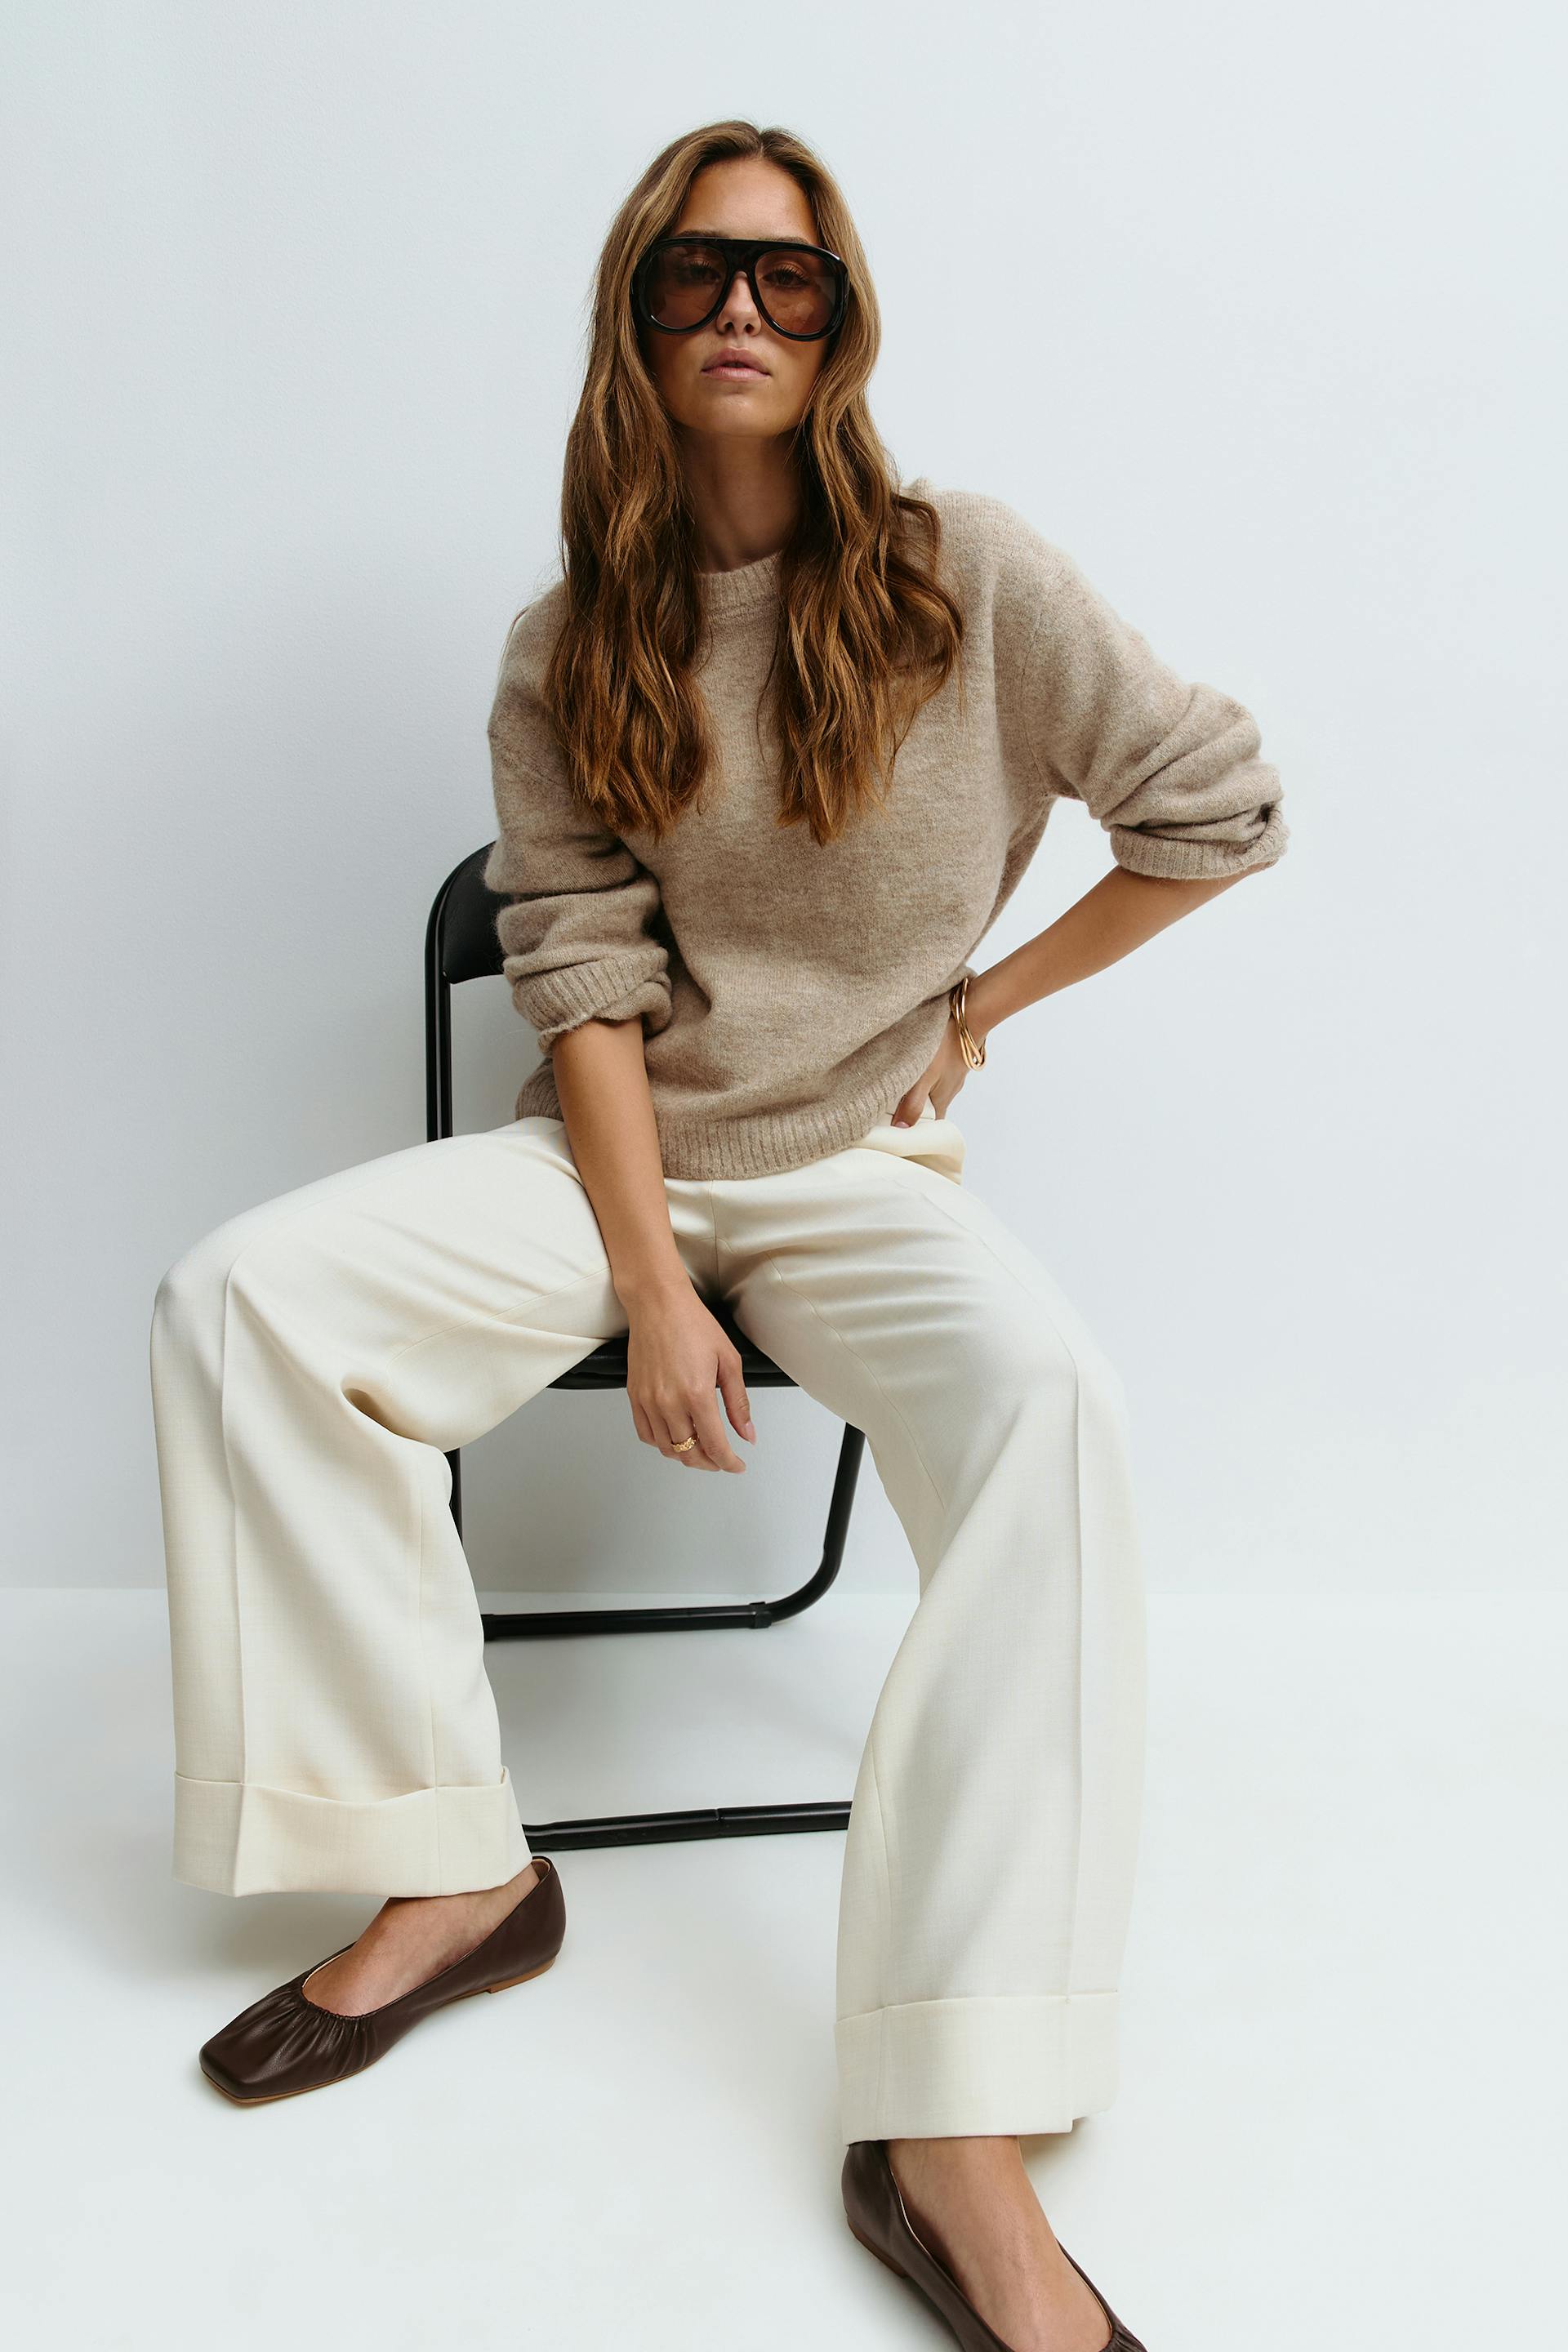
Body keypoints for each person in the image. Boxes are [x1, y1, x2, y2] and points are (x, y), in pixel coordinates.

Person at [149, 118, 1286, 2352]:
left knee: (1053, 1416)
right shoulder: (571, 638)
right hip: (620, 1165)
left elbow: (1215, 806)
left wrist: (984, 1001)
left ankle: (949, 2122)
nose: (740, 310)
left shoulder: (969, 578)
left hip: (860, 1166)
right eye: (694, 273)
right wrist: (654, 1280)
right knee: (240, 1300)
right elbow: (576, 977)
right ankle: (454, 1872)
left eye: (786, 276)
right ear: (637, 319)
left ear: (842, 322)